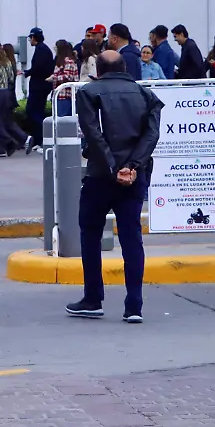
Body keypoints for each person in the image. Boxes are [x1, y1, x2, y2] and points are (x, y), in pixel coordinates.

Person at [69, 51, 163, 323]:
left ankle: (93, 298)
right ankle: (134, 305)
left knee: (90, 234)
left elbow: (92, 133)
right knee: (132, 237)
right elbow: (151, 135)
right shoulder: (145, 95)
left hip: (101, 175)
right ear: (124, 67)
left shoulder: (89, 92)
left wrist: (114, 167)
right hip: (134, 176)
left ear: (98, 68)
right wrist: (132, 166)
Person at [25, 27, 55, 152]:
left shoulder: (41, 50)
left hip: (39, 86)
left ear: (34, 37)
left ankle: (42, 139)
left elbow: (38, 67)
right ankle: (39, 140)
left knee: (33, 112)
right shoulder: (43, 49)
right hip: (41, 86)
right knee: (36, 111)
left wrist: (28, 72)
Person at [50, 39, 80, 116]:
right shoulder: (61, 61)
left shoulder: (68, 61)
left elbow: (67, 77)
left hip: (66, 96)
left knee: (63, 120)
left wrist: (54, 78)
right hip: (60, 95)